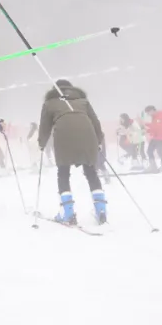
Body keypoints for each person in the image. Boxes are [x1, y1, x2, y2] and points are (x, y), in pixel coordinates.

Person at [37, 81, 108, 225]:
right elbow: (95, 122)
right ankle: (101, 209)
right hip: (88, 136)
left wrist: (42, 143)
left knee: (63, 173)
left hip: (64, 137)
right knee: (91, 172)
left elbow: (44, 127)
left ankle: (68, 212)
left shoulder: (50, 103)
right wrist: (99, 140)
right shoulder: (83, 101)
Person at [142, 105, 162, 172]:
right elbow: (154, 128)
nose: (148, 114)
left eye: (148, 113)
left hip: (160, 137)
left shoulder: (160, 115)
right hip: (155, 137)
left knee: (160, 152)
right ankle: (153, 166)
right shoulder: (154, 117)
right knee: (149, 151)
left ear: (152, 110)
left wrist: (146, 125)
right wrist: (147, 130)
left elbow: (158, 127)